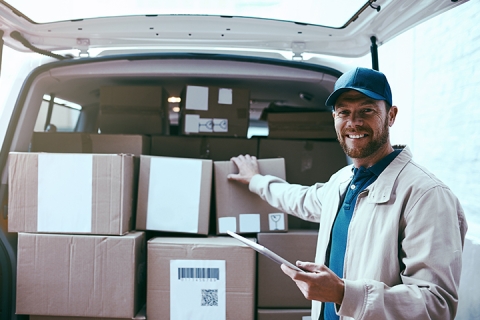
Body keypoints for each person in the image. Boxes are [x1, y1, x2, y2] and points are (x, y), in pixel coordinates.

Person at [228, 67, 467, 320]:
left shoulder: (426, 195)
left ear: (391, 116)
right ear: (334, 118)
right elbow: (301, 199)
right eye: (344, 112)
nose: (354, 122)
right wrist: (255, 180)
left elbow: (436, 305)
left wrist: (343, 293)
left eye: (367, 110)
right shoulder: (343, 181)